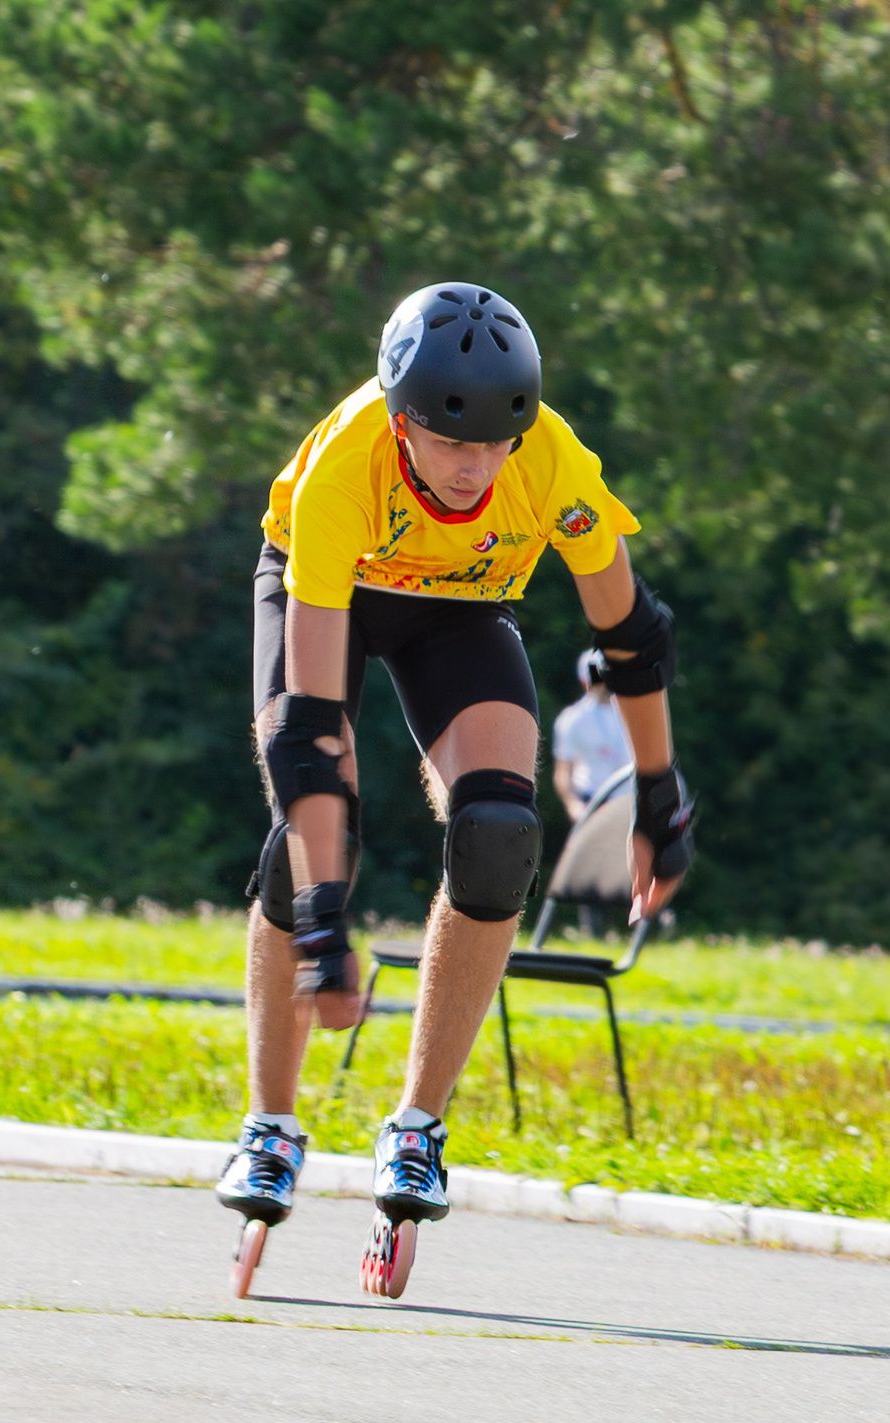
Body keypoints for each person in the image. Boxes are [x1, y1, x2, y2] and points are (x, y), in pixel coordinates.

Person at [220, 280, 697, 1299]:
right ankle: (271, 1122)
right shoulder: (343, 471)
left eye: (497, 442)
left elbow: (632, 635)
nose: (478, 466)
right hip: (334, 591)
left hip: (458, 610)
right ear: (402, 422)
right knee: (308, 840)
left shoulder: (550, 461)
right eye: (450, 442)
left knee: (496, 834)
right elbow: (308, 731)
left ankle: (417, 1128)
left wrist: (660, 791)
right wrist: (321, 929)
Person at [551, 649, 632, 820]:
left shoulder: (632, 712)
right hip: (592, 802)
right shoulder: (572, 719)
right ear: (585, 680)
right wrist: (573, 805)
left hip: (627, 803)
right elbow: (563, 771)